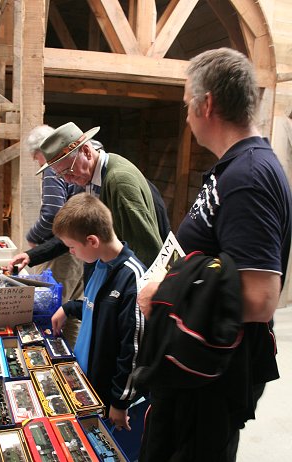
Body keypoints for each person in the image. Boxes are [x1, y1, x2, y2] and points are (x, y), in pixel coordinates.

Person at [137, 47, 292, 461]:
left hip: (210, 371)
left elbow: (260, 298)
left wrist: (165, 291)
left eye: (188, 103)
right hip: (195, 366)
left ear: (206, 104)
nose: (187, 114)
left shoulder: (249, 176)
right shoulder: (234, 168)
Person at [9, 121, 164, 270]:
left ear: (87, 151)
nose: (68, 179)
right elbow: (77, 232)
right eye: (61, 175)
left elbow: (146, 250)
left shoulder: (118, 181)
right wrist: (33, 255)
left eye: (68, 170)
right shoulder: (91, 179)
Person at [51, 193, 146, 430]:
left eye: (72, 247)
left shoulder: (132, 279)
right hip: (87, 380)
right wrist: (69, 308)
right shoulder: (97, 264)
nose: (71, 252)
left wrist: (120, 402)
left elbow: (133, 348)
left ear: (92, 241)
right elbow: (98, 309)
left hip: (108, 392)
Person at [16, 124, 84, 304]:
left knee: (48, 308)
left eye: (35, 156)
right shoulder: (70, 164)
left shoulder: (51, 167)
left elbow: (53, 213)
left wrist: (34, 238)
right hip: (77, 249)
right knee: (72, 310)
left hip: (61, 255)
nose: (36, 161)